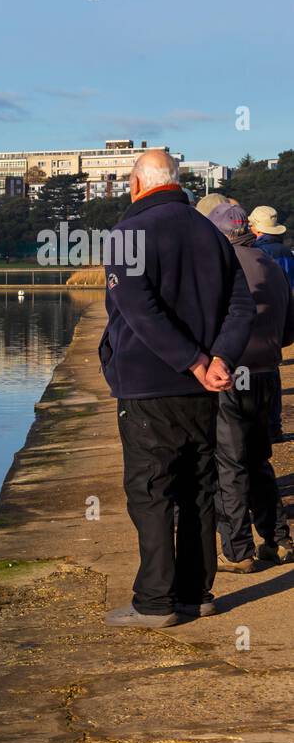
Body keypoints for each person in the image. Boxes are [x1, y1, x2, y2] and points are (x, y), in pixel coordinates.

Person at [100, 151, 255, 628]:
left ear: (138, 183)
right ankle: (194, 592)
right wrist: (219, 360)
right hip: (203, 387)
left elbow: (138, 310)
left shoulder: (128, 234)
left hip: (150, 384)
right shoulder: (209, 230)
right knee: (198, 487)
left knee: (150, 490)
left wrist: (193, 361)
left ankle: (154, 601)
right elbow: (241, 305)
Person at [206, 202, 294, 576]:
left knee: (230, 463)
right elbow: (290, 329)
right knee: (259, 461)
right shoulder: (272, 266)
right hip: (268, 375)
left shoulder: (220, 270)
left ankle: (238, 550)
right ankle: (278, 540)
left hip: (231, 373)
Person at [249, 205, 291, 440]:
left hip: (263, 311)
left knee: (256, 371)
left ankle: (263, 424)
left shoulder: (258, 251)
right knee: (273, 368)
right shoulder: (285, 251)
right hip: (285, 308)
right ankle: (275, 425)